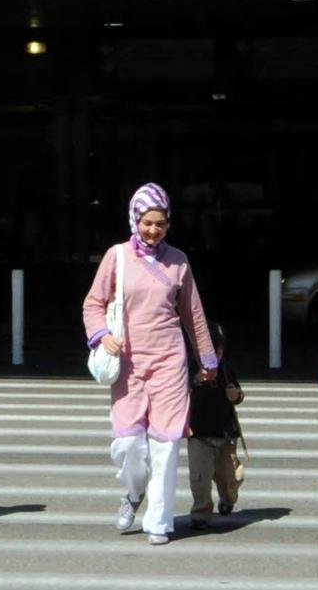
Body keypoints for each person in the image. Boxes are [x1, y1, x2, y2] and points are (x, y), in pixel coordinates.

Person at [83, 182, 218, 546]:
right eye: (147, 222)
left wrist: (208, 360)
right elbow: (93, 304)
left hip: (169, 361)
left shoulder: (179, 261)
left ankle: (158, 521)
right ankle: (133, 492)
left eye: (160, 223)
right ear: (134, 220)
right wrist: (101, 336)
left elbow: (193, 314)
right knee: (128, 445)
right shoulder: (117, 257)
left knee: (166, 443)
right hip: (127, 361)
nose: (153, 230)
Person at [186, 319, 244, 530]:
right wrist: (196, 380)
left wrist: (236, 395)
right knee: (199, 477)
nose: (214, 356)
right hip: (198, 432)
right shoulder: (189, 369)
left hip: (226, 433)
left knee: (226, 475)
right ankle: (201, 512)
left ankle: (228, 497)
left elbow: (238, 394)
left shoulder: (226, 369)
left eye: (218, 351)